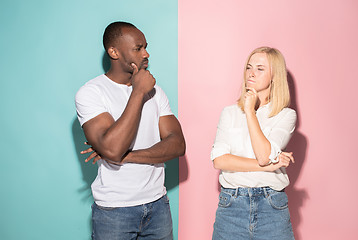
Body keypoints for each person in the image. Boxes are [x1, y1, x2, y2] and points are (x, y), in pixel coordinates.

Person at [75, 21, 185, 240]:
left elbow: (178, 145)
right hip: (115, 211)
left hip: (158, 206)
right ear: (113, 52)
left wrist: (126, 156)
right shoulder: (91, 93)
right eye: (138, 48)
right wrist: (138, 92)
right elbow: (114, 149)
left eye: (145, 46)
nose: (146, 54)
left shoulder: (157, 92)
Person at [211, 47, 296, 240]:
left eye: (260, 68)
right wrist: (267, 168)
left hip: (272, 206)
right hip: (231, 204)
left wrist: (250, 111)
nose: (251, 73)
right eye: (249, 67)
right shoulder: (230, 112)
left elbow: (263, 155)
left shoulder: (285, 115)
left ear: (275, 76)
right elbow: (219, 160)